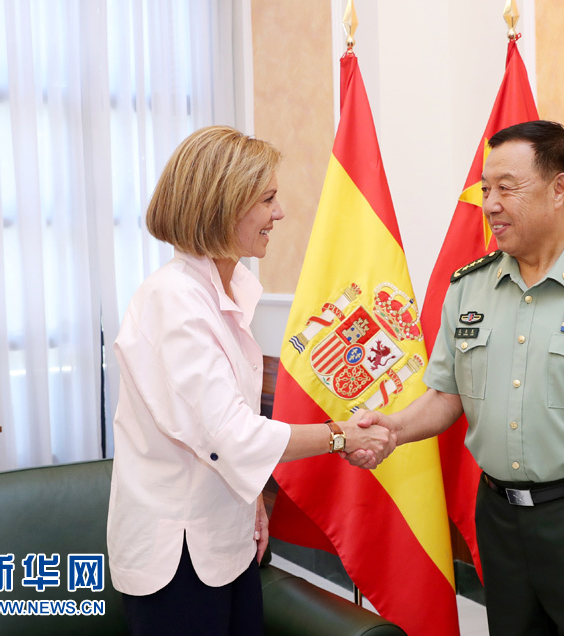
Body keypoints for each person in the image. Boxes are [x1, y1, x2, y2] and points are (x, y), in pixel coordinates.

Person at [353, 120, 564, 635]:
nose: (490, 204)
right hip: (501, 522)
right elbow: (446, 395)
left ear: (558, 189)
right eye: (486, 189)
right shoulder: (469, 288)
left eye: (506, 188)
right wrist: (392, 428)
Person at [107, 125, 394, 636]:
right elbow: (232, 436)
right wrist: (342, 435)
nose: (279, 213)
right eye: (267, 199)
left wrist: (253, 501)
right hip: (178, 557)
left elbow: (218, 430)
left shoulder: (231, 288)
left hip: (228, 537)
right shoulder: (173, 301)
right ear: (224, 206)